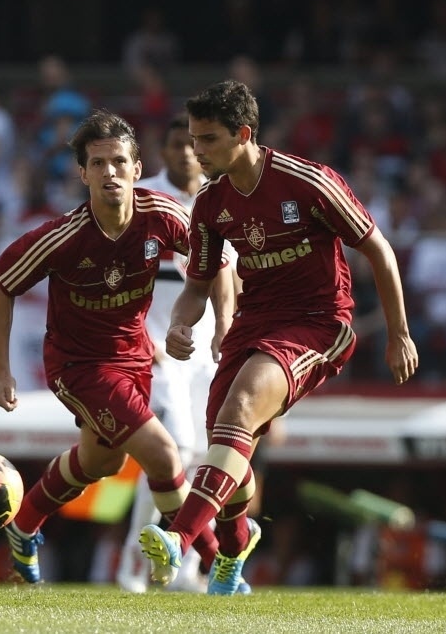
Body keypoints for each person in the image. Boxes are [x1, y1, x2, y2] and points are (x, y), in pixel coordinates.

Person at [140, 79, 418, 595]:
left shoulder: (309, 181)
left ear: (244, 134)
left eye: (208, 139)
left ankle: (178, 539)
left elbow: (379, 249)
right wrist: (182, 322)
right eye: (194, 140)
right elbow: (196, 285)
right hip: (254, 323)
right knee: (226, 440)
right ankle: (235, 543)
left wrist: (399, 333)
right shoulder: (211, 202)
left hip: (318, 322)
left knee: (240, 408)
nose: (196, 151)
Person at [0, 109, 233, 584]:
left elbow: (215, 256)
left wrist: (222, 323)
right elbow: (2, 284)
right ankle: (219, 562)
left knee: (103, 461)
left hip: (135, 358)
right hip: (78, 365)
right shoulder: (63, 237)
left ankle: (24, 524)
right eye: (97, 164)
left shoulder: (160, 215)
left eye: (119, 162)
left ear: (137, 169)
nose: (110, 172)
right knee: (165, 454)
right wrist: (2, 372)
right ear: (82, 173)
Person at [117, 114, 236, 594]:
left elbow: (233, 275)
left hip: (209, 347)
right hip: (156, 347)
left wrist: (230, 330)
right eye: (176, 145)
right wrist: (141, 340)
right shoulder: (141, 197)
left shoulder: (223, 198)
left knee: (206, 456)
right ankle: (148, 565)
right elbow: (120, 278)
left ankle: (168, 565)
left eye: (193, 145)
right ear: (162, 153)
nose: (187, 153)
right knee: (177, 451)